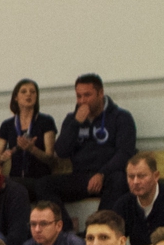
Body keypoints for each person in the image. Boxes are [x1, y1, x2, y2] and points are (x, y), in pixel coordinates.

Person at [41, 73, 136, 210]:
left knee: (120, 180)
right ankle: (63, 223)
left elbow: (125, 153)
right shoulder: (72, 119)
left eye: (87, 95)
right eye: (79, 96)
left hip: (108, 175)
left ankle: (101, 222)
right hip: (81, 176)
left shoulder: (121, 117)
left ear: (100, 93)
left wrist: (102, 173)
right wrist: (76, 124)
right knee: (44, 184)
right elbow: (61, 151)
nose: (82, 101)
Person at [0, 78, 58, 186]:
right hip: (16, 180)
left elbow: (50, 159)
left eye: (32, 92)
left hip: (41, 180)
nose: (28, 94)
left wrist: (32, 149)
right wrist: (2, 159)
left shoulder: (46, 121)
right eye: (24, 91)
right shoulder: (7, 125)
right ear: (16, 97)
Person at [116, 153, 164, 245]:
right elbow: (112, 236)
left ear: (156, 176)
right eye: (131, 177)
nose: (136, 182)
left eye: (141, 176)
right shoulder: (124, 204)